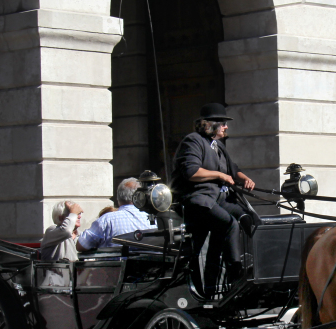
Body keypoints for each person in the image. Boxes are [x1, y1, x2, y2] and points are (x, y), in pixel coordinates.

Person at [173, 102, 260, 292]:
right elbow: (191, 171)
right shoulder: (193, 141)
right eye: (222, 123)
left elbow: (232, 169)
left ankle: (261, 268)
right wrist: (220, 176)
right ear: (208, 124)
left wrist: (244, 178)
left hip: (219, 199)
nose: (226, 126)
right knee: (229, 224)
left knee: (251, 219)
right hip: (198, 198)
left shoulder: (218, 146)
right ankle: (235, 273)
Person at [76, 177, 154, 251]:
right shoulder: (153, 220)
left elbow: (82, 245)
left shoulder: (107, 219)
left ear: (118, 198)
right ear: (140, 197)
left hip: (116, 264)